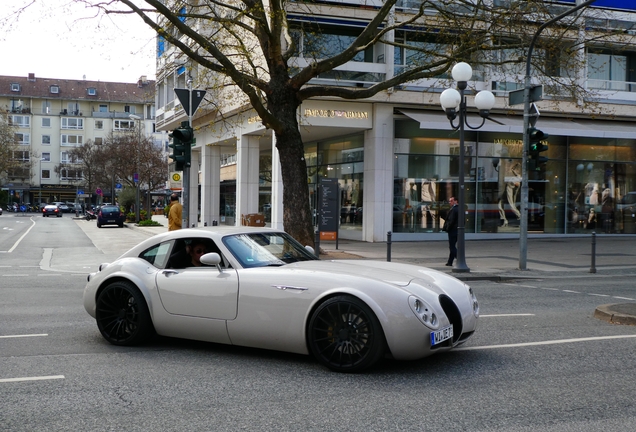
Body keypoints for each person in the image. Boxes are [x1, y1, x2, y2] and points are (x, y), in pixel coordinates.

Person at [445, 196, 459, 267]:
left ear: (456, 201)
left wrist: (448, 228)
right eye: (450, 201)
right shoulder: (459, 209)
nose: (450, 202)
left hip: (453, 230)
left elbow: (451, 220)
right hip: (456, 230)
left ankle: (459, 258)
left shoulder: (454, 209)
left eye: (451, 201)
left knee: (452, 246)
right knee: (452, 246)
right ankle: (450, 261)